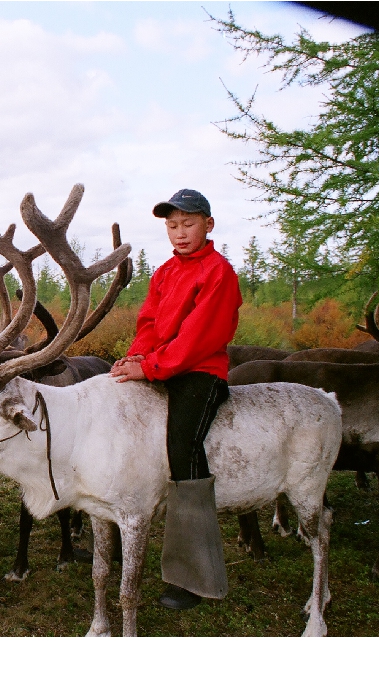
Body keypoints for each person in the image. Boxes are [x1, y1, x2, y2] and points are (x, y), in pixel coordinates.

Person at [108, 189, 243, 611]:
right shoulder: (166, 272)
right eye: (172, 225)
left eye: (188, 224)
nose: (180, 233)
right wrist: (136, 356)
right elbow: (149, 322)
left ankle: (195, 575)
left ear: (209, 224)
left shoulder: (219, 272)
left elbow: (198, 338)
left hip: (200, 373)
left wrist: (149, 369)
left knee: (182, 448)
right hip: (162, 366)